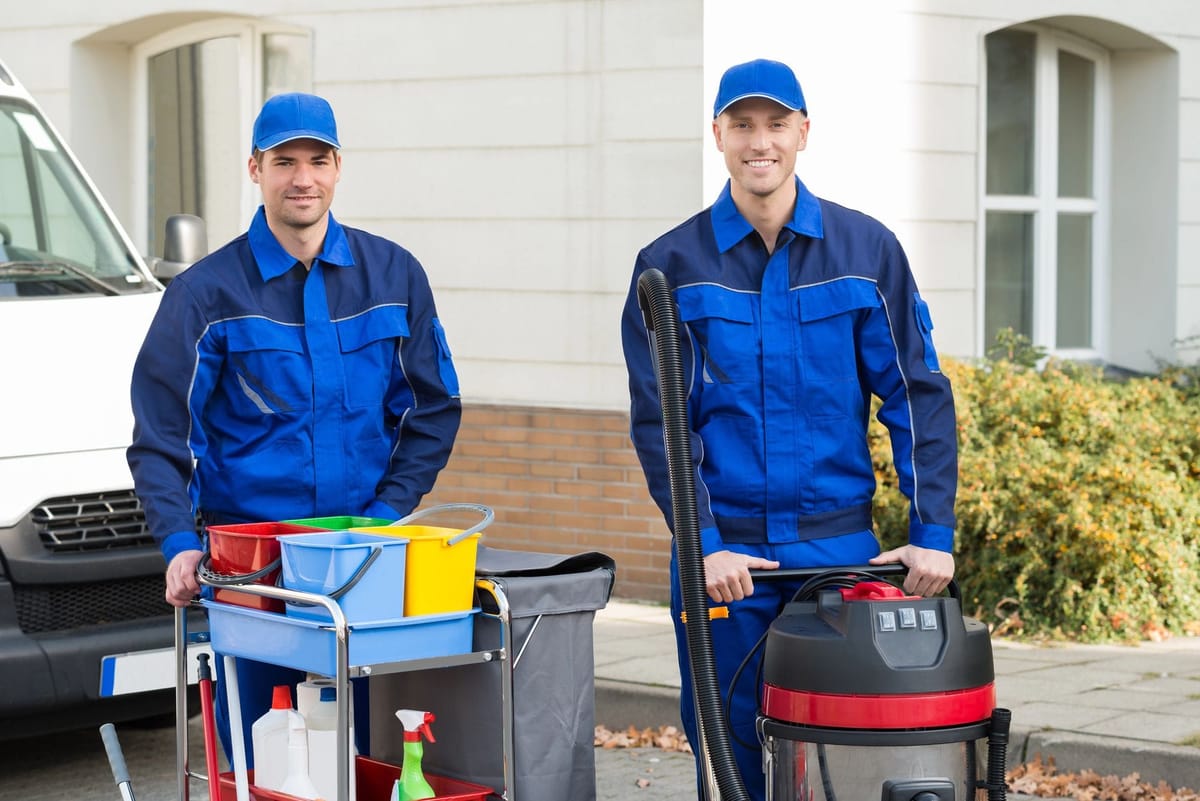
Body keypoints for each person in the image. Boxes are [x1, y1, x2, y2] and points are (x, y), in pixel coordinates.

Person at [620, 59, 957, 800]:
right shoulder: (669, 266)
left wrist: (932, 531)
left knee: (846, 751)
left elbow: (918, 397)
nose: (760, 141)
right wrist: (704, 543)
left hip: (838, 550)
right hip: (724, 559)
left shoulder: (866, 252)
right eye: (742, 124)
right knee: (730, 756)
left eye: (776, 123)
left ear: (804, 132)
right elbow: (662, 426)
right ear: (717, 135)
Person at [128, 92, 462, 761]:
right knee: (266, 757)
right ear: (255, 168)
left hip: (365, 561)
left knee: (372, 756)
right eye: (284, 161)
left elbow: (432, 409)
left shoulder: (394, 276)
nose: (302, 178)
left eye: (318, 160)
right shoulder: (204, 295)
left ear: (338, 168)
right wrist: (178, 541)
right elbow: (162, 438)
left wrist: (385, 513)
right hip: (254, 570)